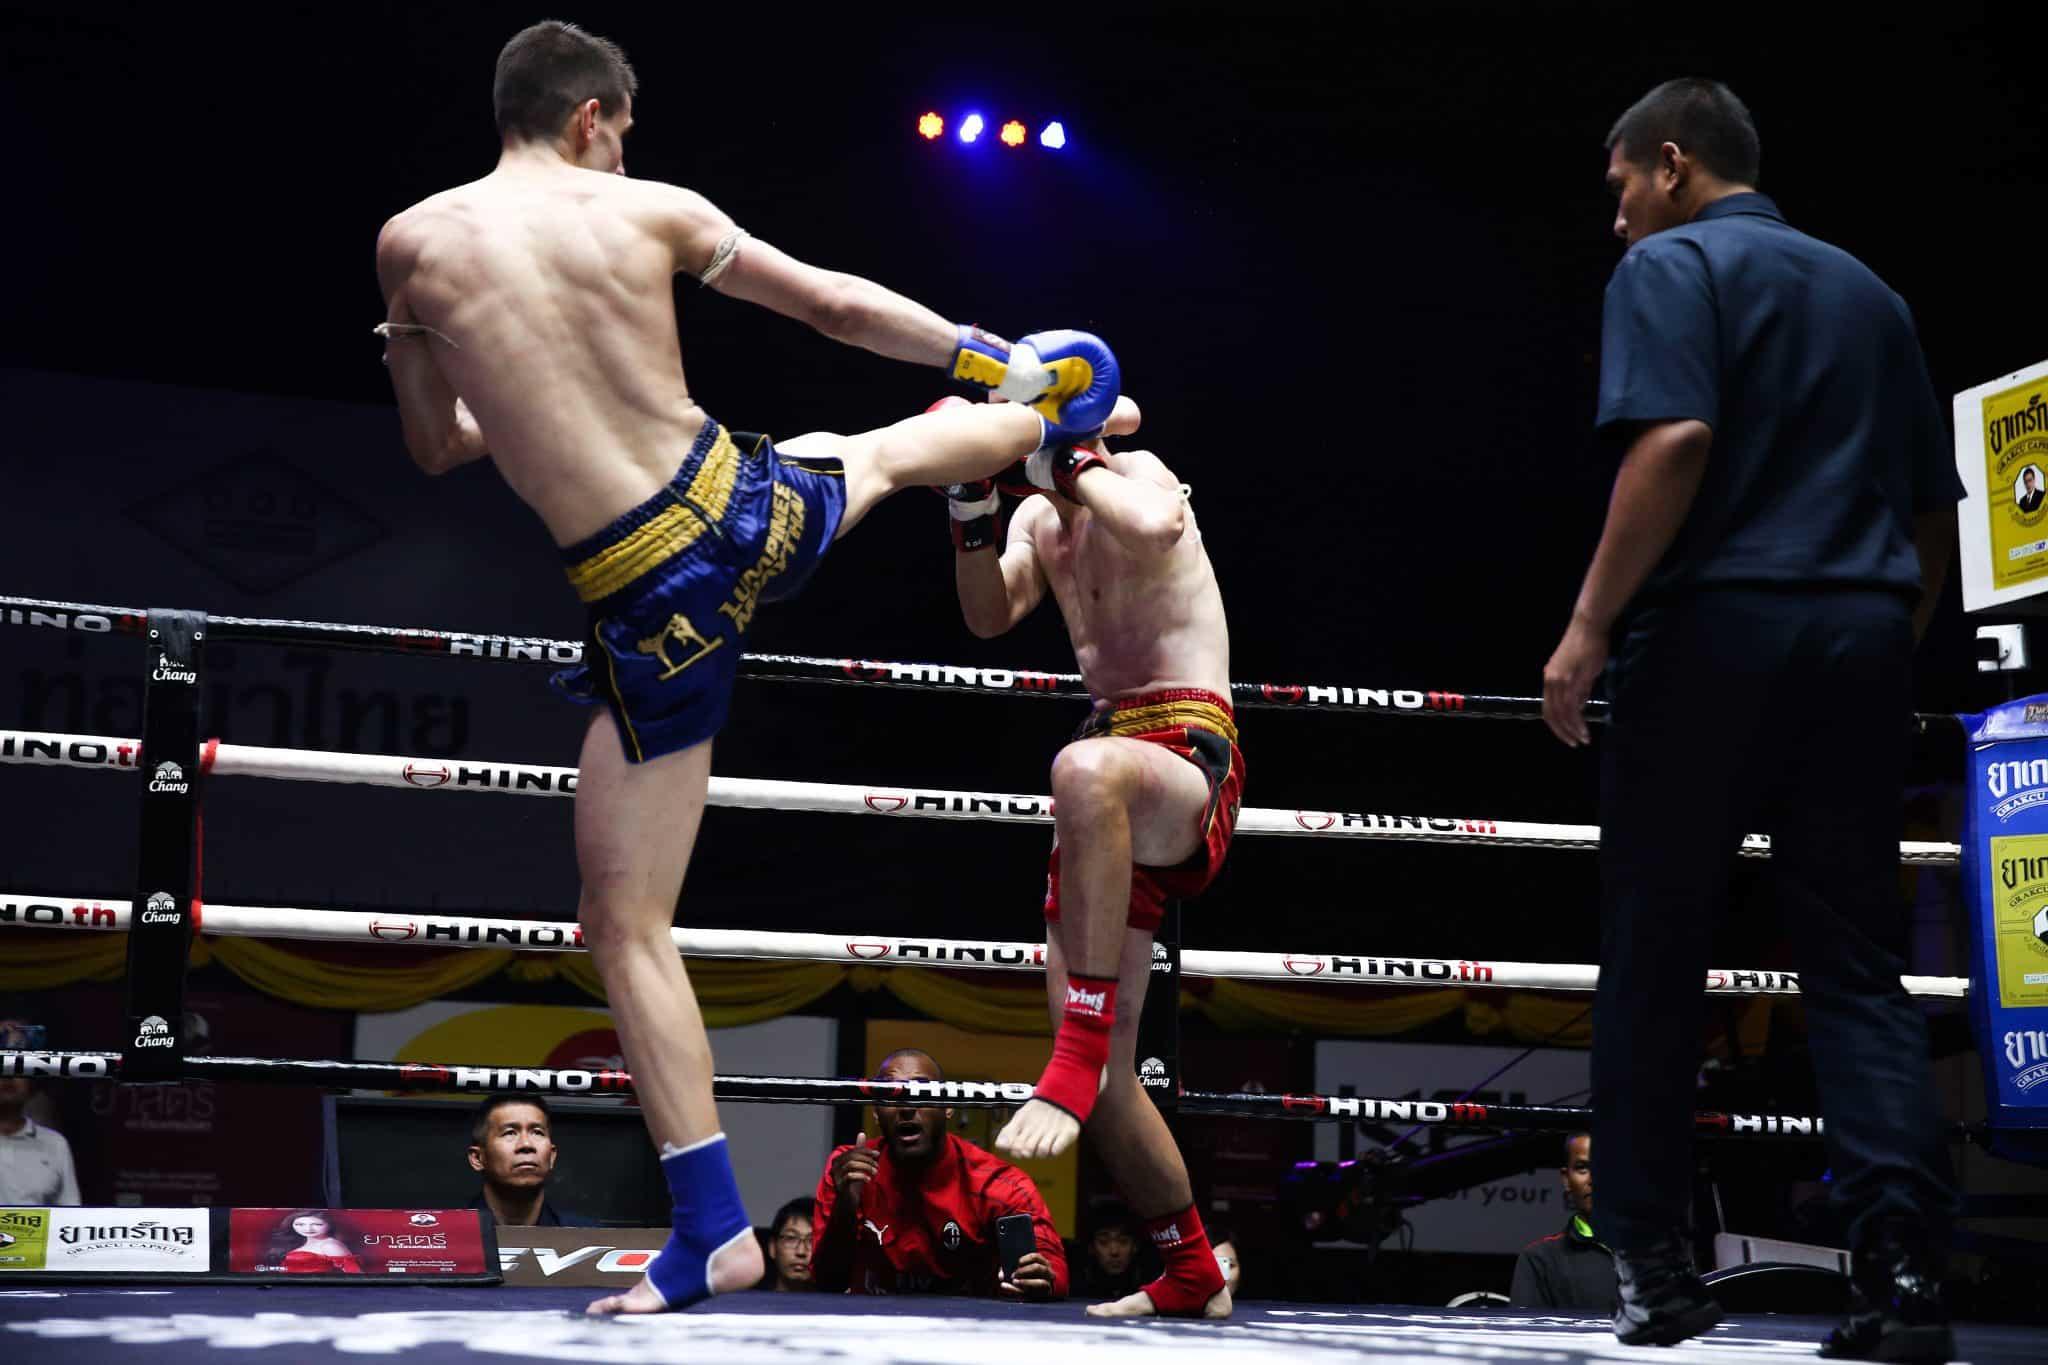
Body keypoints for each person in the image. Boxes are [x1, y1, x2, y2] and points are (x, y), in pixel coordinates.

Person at [373, 21, 1119, 1316]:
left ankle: (713, 1229)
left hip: (652, 594)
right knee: (871, 453)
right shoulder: (650, 210)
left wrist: (463, 367)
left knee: (625, 923)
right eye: (623, 133)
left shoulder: (413, 243)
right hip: (736, 505)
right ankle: (1041, 411)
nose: (624, 152)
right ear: (594, 117)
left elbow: (438, 447)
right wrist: (984, 351)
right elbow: (832, 304)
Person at [1539, 78, 1961, 1356]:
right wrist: (1878, 636)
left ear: (1670, 164)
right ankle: (1903, 1281)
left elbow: (1671, 438)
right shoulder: (1869, 291)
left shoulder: (1669, 266)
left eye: (1620, 186)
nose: (1616, 217)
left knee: (1654, 953)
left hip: (1709, 634)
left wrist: (1586, 627)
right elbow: (1931, 512)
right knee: (1855, 963)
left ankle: (1650, 1270)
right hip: (1858, 638)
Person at [947, 402, 1240, 1320]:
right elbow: (988, 613)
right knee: (1108, 1077)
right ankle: (1192, 1269)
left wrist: (1072, 461)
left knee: (1081, 768)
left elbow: (1155, 526)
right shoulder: (1038, 519)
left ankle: (1075, 1048)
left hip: (1185, 743)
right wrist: (968, 504)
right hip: (1104, 785)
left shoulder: (1139, 475)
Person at [810, 1049, 1066, 1300]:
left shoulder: (998, 1185)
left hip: (970, 1325)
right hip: (872, 1323)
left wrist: (1040, 1279)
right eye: (891, 1093)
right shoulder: (851, 1172)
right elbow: (826, 1281)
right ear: (876, 1112)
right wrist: (846, 1205)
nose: (907, 1106)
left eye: (922, 1091)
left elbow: (1055, 1272)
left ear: (948, 1106)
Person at [1509, 1132, 1615, 1311]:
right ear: (1566, 1179)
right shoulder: (1541, 1259)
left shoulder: (1660, 1253)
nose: (1594, 1178)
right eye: (1582, 1168)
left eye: (1608, 1166)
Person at [464, 1094, 595, 1228]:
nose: (526, 1144)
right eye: (510, 1133)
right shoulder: (451, 1234)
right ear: (477, 1158)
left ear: (551, 1156)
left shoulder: (588, 1236)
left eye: (537, 1132)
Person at [0, 1020, 78, 1207]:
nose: (9, 1075)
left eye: (20, 1065)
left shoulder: (56, 1145)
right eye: (2, 1064)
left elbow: (71, 1214)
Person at [272, 1210, 365, 1274]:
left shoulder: (330, 1245)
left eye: (317, 1224)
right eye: (299, 1224)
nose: (308, 1229)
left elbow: (355, 1275)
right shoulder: (298, 1243)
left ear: (329, 1225)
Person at [763, 1197, 815, 1291]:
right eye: (791, 1238)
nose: (801, 1252)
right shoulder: (749, 1299)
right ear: (772, 1247)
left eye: (812, 1241)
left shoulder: (839, 1299)